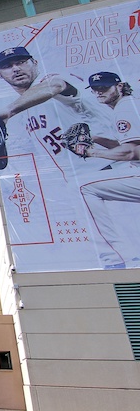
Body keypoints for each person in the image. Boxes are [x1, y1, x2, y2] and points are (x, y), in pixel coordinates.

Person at [0, 46, 112, 180]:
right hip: (80, 178)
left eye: (21, 62)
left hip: (110, 166)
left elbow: (57, 84)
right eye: (7, 66)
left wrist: (7, 112)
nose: (16, 69)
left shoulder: (50, 79)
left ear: (34, 62)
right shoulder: (23, 109)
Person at [77, 72, 140, 268]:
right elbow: (129, 145)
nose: (99, 92)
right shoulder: (128, 105)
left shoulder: (125, 110)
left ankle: (118, 257)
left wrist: (91, 151)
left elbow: (131, 152)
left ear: (119, 87)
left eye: (104, 87)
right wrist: (95, 139)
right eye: (95, 89)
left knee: (83, 187)